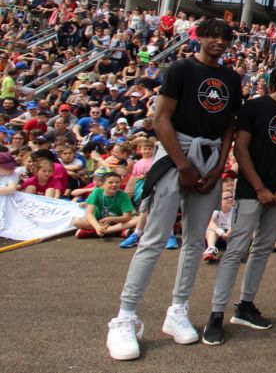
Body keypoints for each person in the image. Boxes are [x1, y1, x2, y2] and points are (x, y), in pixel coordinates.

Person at [105, 18, 241, 361]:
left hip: (210, 156)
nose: (219, 42)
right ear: (200, 37)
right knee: (153, 237)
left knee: (195, 241)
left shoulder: (231, 78)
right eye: (213, 35)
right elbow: (161, 118)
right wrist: (182, 164)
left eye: (225, 38)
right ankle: (124, 317)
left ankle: (178, 309)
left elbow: (229, 125)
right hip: (176, 152)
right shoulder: (182, 68)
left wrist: (219, 168)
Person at [203, 60, 276, 345]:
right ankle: (216, 314)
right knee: (236, 250)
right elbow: (241, 149)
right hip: (252, 190)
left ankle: (245, 306)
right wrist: (259, 187)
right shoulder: (254, 107)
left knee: (261, 249)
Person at [72, 171, 136, 238]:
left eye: (117, 182)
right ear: (102, 184)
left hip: (118, 222)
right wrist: (97, 227)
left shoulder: (124, 195)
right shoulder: (96, 192)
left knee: (137, 219)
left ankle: (101, 232)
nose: (114, 184)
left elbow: (127, 217)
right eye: (110, 182)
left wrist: (112, 219)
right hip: (99, 221)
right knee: (77, 222)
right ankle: (117, 232)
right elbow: (89, 214)